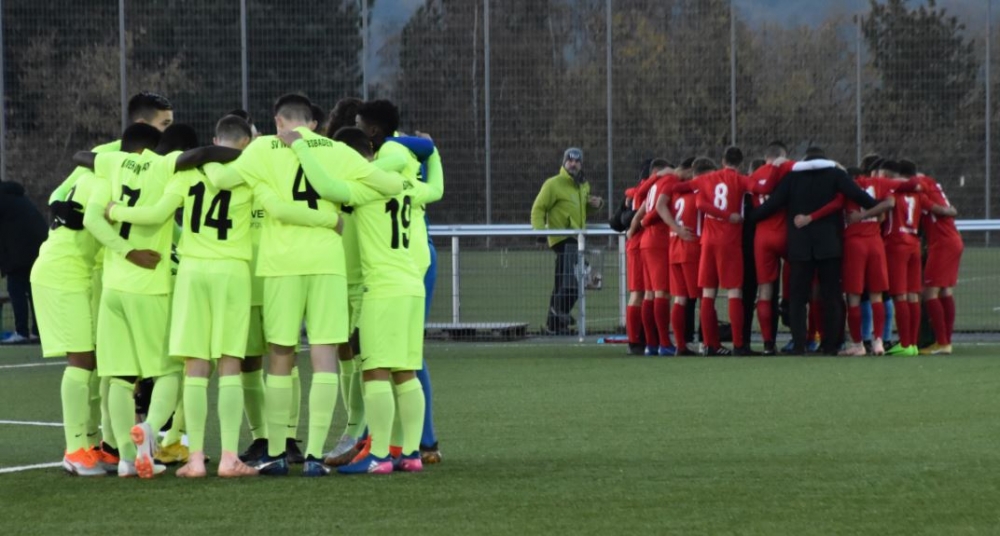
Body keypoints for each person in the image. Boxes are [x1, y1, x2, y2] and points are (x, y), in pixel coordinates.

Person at [751, 147, 878, 354]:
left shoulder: (792, 177)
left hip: (799, 245)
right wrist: (877, 205)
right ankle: (831, 344)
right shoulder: (836, 175)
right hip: (829, 244)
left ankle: (799, 344)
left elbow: (773, 203)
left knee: (798, 298)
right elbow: (859, 195)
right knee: (831, 296)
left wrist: (752, 217)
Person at [530, 148, 604, 335]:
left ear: (581, 164)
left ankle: (554, 325)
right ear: (564, 162)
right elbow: (538, 209)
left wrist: (596, 205)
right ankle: (558, 311)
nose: (573, 164)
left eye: (577, 161)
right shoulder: (553, 184)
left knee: (562, 282)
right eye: (570, 160)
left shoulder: (583, 185)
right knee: (583, 276)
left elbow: (583, 210)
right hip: (563, 239)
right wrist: (540, 233)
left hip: (576, 240)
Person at [0, 181, 47, 344]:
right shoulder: (14, 196)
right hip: (38, 249)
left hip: (21, 251)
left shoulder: (3, 199)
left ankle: (22, 332)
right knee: (32, 290)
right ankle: (37, 331)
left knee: (16, 289)